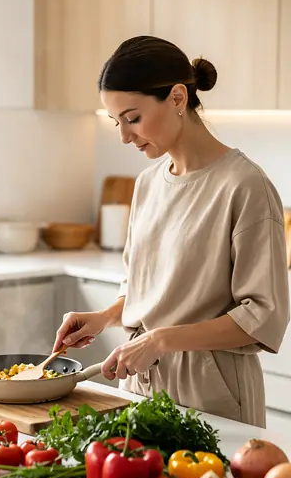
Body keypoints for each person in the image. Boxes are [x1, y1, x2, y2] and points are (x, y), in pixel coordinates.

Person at [53, 35, 290, 427]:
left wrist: (162, 340)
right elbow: (145, 287)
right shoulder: (147, 183)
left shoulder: (245, 186)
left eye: (133, 118)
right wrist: (105, 316)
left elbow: (263, 315)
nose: (125, 136)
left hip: (212, 394)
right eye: (117, 122)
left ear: (178, 98)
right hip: (141, 386)